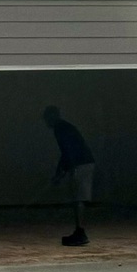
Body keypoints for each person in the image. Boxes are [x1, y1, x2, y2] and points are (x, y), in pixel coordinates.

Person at [43, 105, 95, 247]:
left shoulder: (60, 129)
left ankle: (80, 232)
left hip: (81, 164)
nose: (45, 122)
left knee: (79, 198)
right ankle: (79, 231)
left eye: (46, 118)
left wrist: (61, 173)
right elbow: (66, 152)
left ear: (51, 117)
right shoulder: (63, 127)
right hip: (82, 163)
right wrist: (61, 172)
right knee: (77, 197)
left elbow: (67, 151)